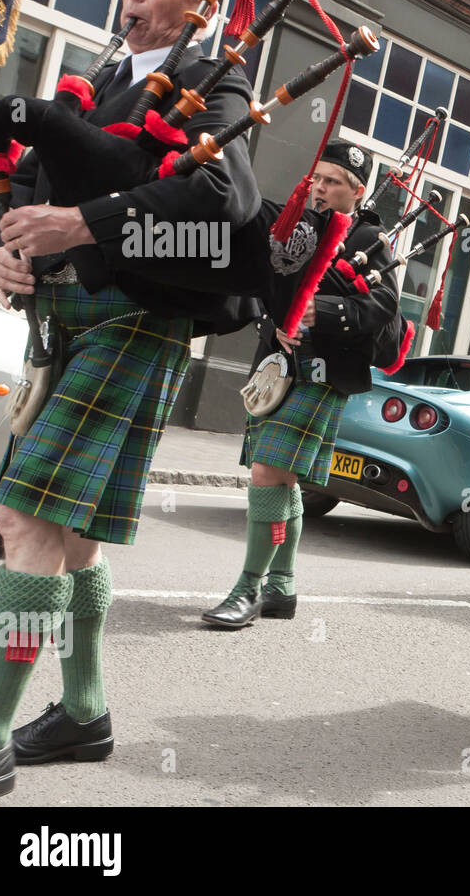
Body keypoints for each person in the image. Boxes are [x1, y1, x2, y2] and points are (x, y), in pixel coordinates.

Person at [0, 0, 260, 802]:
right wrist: (5, 253)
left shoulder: (214, 81)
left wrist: (84, 225)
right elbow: (27, 187)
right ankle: (84, 712)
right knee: (75, 534)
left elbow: (223, 205)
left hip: (136, 320)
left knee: (23, 512)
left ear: (201, 4)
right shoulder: (97, 83)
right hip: (63, 321)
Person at [201, 140, 396, 628]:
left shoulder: (371, 239)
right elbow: (264, 283)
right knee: (283, 481)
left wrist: (319, 311)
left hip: (321, 374)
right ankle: (281, 586)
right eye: (318, 179)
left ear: (357, 190)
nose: (321, 188)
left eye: (333, 182)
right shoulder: (297, 223)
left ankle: (248, 587)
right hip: (276, 367)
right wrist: (277, 320)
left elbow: (383, 306)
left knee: (268, 473)